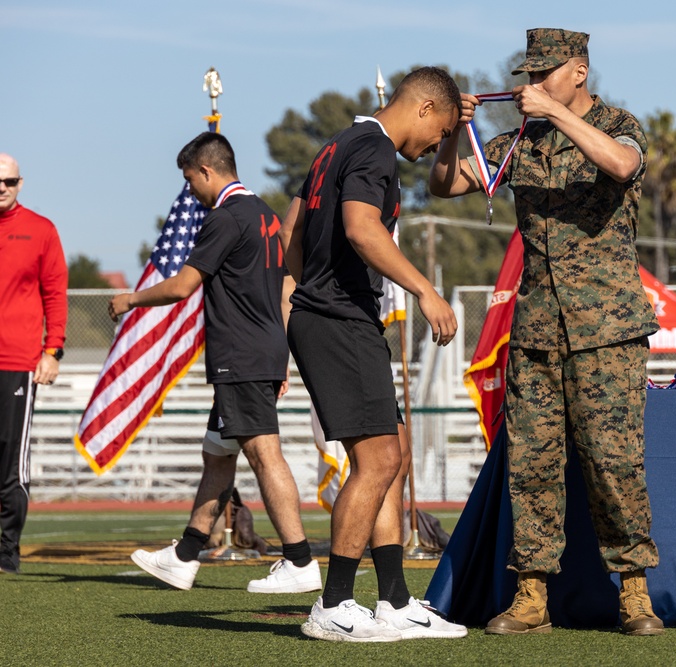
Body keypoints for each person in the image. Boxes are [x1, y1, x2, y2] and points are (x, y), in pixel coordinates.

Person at [429, 29, 664, 636]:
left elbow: (620, 164)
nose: (529, 86)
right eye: (526, 76)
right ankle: (531, 595)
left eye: (544, 74)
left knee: (614, 464)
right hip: (536, 329)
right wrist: (458, 129)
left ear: (578, 71)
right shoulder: (520, 142)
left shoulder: (618, 123)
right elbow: (447, 184)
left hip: (607, 328)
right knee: (532, 466)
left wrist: (555, 113)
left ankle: (635, 591)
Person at [278, 66, 467, 642]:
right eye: (440, 132)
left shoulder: (337, 143)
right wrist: (426, 290)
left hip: (330, 314)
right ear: (424, 108)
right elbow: (361, 229)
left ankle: (394, 600)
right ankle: (333, 605)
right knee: (380, 461)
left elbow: (294, 232)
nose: (437, 145)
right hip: (337, 317)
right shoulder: (374, 150)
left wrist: (292, 305)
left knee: (391, 452)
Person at [110, 133, 321, 594]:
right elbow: (284, 289)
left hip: (239, 357)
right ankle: (185, 556)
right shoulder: (265, 214)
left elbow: (180, 286)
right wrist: (280, 357)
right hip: (261, 351)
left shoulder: (226, 218)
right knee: (217, 454)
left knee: (265, 455)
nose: (192, 192)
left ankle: (300, 560)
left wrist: (130, 299)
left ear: (207, 170)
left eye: (190, 181)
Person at [0, 153, 68, 575]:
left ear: (20, 183)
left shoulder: (40, 230)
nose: (0, 188)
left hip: (18, 362)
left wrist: (52, 349)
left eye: (8, 181)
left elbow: (55, 293)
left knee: (10, 461)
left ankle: (7, 551)